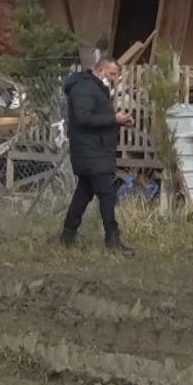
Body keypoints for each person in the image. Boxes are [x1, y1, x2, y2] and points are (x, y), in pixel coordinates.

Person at [59, 55, 134, 254]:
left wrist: (117, 120)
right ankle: (112, 239)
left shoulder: (93, 87)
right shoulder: (84, 88)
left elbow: (94, 115)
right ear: (101, 71)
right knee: (107, 194)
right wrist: (113, 118)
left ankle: (67, 237)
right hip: (90, 151)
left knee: (83, 194)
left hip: (94, 150)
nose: (113, 78)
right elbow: (84, 117)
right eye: (111, 74)